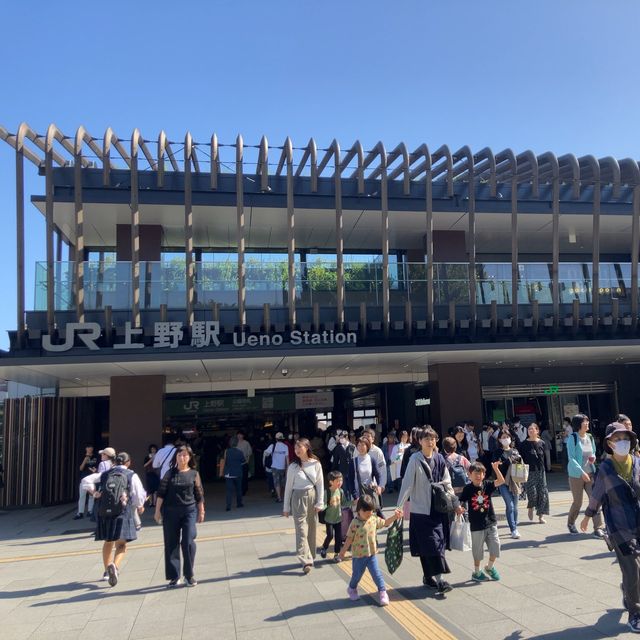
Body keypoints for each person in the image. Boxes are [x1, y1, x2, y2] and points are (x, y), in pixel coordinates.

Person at [580, 423, 640, 633]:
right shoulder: (605, 468)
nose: (622, 442)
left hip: (638, 522)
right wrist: (588, 516)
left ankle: (628, 591)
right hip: (618, 526)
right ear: (609, 444)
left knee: (633, 572)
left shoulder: (638, 462)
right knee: (633, 569)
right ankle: (635, 613)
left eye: (625, 438)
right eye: (617, 439)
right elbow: (597, 493)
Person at [397, 427, 457, 595]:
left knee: (436, 544)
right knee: (429, 544)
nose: (430, 442)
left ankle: (428, 576)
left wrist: (453, 499)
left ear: (436, 440)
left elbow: (447, 480)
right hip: (421, 510)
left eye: (432, 439)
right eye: (426, 439)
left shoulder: (439, 458)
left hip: (438, 508)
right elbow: (407, 482)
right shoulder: (415, 459)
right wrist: (399, 506)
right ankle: (440, 581)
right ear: (420, 441)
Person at [154, 445, 205, 588]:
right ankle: (174, 576)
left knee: (188, 542)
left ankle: (189, 575)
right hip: (170, 511)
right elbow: (161, 493)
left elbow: (199, 493)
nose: (182, 458)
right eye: (179, 455)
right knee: (171, 543)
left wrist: (201, 511)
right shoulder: (170, 473)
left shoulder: (194, 474)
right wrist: (157, 511)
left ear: (190, 457)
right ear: (175, 457)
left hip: (189, 510)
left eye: (185, 455)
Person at [94, 451, 146, 586]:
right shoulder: (131, 475)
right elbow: (138, 494)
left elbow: (87, 483)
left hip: (105, 513)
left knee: (108, 541)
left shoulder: (105, 474)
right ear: (128, 463)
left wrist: (94, 493)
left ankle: (106, 572)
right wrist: (140, 506)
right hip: (122, 512)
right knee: (121, 544)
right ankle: (115, 567)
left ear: (115, 462)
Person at [338, 495, 402, 606]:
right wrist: (342, 552)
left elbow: (385, 522)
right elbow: (349, 539)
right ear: (359, 510)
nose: (369, 514)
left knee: (377, 574)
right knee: (356, 575)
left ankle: (383, 592)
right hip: (358, 556)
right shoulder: (354, 523)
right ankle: (352, 589)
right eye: (366, 512)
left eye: (371, 511)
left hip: (371, 555)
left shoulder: (373, 519)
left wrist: (395, 517)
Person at [457, 461, 505, 582]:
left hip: (491, 521)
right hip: (476, 525)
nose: (478, 476)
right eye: (475, 473)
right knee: (477, 551)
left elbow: (501, 481)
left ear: (484, 475)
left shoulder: (487, 485)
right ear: (469, 475)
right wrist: (460, 508)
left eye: (481, 473)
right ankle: (477, 572)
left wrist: (495, 469)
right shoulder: (468, 489)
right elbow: (461, 501)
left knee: (495, 546)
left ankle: (489, 567)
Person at [283, 438, 325, 574]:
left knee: (312, 526)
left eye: (299, 447)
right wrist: (286, 507)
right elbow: (288, 488)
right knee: (301, 529)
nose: (297, 450)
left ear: (307, 447)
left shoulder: (316, 464)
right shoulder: (293, 466)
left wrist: (320, 502)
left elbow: (320, 484)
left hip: (312, 495)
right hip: (298, 497)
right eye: (295, 448)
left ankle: (311, 555)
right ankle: (305, 559)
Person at [567, 413, 605, 537]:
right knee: (577, 502)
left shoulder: (590, 437)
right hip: (576, 475)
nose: (587, 423)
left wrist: (593, 458)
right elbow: (571, 458)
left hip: (590, 473)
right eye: (585, 421)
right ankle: (571, 523)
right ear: (578, 424)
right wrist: (581, 472)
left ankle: (598, 527)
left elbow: (593, 452)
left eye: (588, 421)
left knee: (595, 500)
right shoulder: (572, 438)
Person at [492, 430, 522, 539]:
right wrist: (507, 462)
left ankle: (515, 526)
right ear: (499, 439)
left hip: (515, 482)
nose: (505, 439)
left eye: (507, 437)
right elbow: (496, 466)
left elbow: (519, 465)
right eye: (503, 437)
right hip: (503, 482)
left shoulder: (515, 451)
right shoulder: (497, 452)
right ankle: (513, 529)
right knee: (510, 505)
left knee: (515, 506)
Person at [518, 423, 550, 524]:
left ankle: (541, 516)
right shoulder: (523, 444)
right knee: (532, 493)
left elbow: (543, 457)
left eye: (533, 429)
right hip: (529, 472)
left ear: (537, 431)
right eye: (529, 429)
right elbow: (519, 459)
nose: (530, 431)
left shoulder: (542, 443)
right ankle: (531, 507)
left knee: (543, 493)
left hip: (540, 471)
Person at [347, 437, 382, 513]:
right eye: (359, 445)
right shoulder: (353, 461)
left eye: (363, 445)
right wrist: (355, 496)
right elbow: (350, 479)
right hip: (357, 495)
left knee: (370, 518)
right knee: (358, 519)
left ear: (367, 446)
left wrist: (379, 486)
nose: (361, 447)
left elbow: (378, 474)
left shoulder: (372, 460)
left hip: (369, 494)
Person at [320, 470, 348, 560]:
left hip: (338, 518)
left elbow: (344, 503)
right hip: (329, 519)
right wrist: (321, 508)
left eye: (341, 480)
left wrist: (354, 502)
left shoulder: (341, 491)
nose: (340, 483)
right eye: (338, 481)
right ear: (331, 482)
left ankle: (337, 554)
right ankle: (324, 547)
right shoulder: (327, 492)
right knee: (330, 535)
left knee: (338, 538)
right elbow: (324, 504)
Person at [219, 437, 245, 511]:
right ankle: (239, 503)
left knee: (229, 490)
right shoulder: (240, 452)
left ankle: (228, 506)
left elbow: (223, 461)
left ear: (229, 443)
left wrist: (221, 472)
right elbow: (243, 461)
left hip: (229, 473)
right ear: (237, 443)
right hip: (238, 473)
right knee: (239, 489)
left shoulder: (226, 451)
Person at [74, 444, 98, 520]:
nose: (90, 449)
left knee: (91, 496)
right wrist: (86, 458)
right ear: (86, 448)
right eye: (88, 447)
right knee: (82, 496)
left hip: (92, 478)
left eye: (91, 447)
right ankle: (80, 512)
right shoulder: (82, 456)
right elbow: (81, 468)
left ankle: (90, 511)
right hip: (84, 478)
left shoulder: (95, 457)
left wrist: (95, 471)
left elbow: (97, 467)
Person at [264, 432, 289, 503]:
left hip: (274, 467)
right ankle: (284, 496)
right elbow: (287, 458)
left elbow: (266, 453)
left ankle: (279, 497)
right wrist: (287, 467)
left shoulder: (272, 446)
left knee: (276, 482)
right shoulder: (285, 446)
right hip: (283, 467)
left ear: (276, 439)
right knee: (282, 482)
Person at [330, 431, 356, 497]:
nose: (341, 439)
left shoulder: (352, 446)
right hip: (342, 470)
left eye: (342, 438)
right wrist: (333, 470)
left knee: (351, 487)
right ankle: (346, 503)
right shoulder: (338, 448)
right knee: (344, 488)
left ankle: (352, 502)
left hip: (351, 470)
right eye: (340, 438)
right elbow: (335, 460)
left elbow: (355, 458)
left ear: (346, 437)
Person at [236, 431, 253, 496]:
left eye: (240, 435)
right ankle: (239, 489)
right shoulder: (235, 443)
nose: (239, 436)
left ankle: (244, 489)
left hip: (244, 463)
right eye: (238, 435)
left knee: (244, 477)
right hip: (237, 463)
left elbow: (249, 453)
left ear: (243, 435)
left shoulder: (246, 443)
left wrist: (247, 461)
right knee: (238, 477)